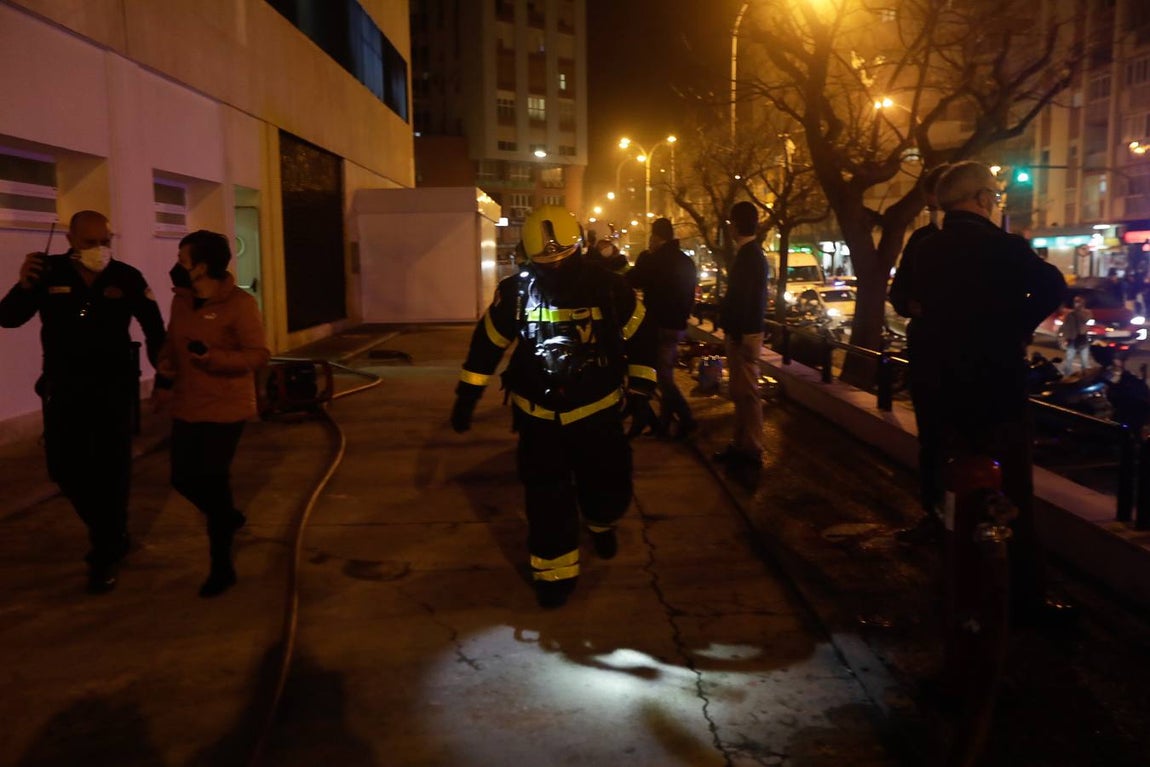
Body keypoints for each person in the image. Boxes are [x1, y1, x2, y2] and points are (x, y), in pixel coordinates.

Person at [450, 205, 657, 608]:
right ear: (529, 259)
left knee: (608, 484)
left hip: (598, 412)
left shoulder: (611, 288)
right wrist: (467, 394)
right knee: (546, 497)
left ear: (580, 247)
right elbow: (488, 343)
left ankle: (601, 522)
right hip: (538, 417)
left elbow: (641, 336)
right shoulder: (515, 293)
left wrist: (644, 393)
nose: (557, 269)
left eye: (564, 259)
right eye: (547, 263)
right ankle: (554, 574)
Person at [902, 160, 1072, 625]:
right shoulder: (1004, 248)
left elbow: (910, 302)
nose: (996, 205)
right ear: (980, 200)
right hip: (996, 388)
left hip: (941, 387)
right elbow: (1053, 286)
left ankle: (958, 582)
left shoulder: (926, 250)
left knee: (949, 484)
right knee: (1013, 488)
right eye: (995, 198)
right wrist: (1012, 327)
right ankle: (1026, 597)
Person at [0, 210, 166, 593]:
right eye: (90, 242)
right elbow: (8, 318)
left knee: (112, 471)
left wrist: (165, 378)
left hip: (113, 389)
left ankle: (104, 552)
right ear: (71, 240)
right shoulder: (47, 272)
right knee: (64, 467)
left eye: (105, 241)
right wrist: (24, 286)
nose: (99, 249)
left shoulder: (126, 277)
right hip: (64, 388)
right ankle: (110, 531)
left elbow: (154, 328)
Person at [153, 230, 269, 597]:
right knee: (182, 479)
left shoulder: (240, 304)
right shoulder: (181, 301)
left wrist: (213, 358)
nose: (177, 264)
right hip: (188, 405)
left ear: (201, 266)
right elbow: (172, 343)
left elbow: (258, 355)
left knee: (214, 482)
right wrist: (164, 374)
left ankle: (222, 566)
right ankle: (228, 518)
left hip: (226, 408)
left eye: (182, 258)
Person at [889, 164, 949, 543]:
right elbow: (898, 296)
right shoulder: (922, 241)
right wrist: (912, 306)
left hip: (964, 362)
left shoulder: (987, 239)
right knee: (932, 441)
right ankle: (934, 513)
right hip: (931, 357)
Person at [627, 217, 699, 439]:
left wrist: (644, 257)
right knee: (665, 373)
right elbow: (691, 295)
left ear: (657, 238)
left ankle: (686, 419)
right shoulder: (686, 261)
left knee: (662, 378)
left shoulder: (654, 260)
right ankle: (664, 425)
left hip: (659, 325)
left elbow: (634, 279)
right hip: (677, 325)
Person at [713, 201, 768, 470]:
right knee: (739, 392)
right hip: (741, 333)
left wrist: (745, 335)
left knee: (747, 393)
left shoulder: (750, 257)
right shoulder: (749, 254)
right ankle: (741, 444)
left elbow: (749, 301)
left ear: (735, 225)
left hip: (744, 335)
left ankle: (752, 448)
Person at [1056, 294, 1092, 376]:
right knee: (1069, 359)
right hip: (1072, 339)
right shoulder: (1070, 314)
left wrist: (1078, 311)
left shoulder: (1087, 313)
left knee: (1084, 360)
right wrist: (1062, 336)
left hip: (1083, 338)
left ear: (1083, 303)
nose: (1077, 303)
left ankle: (1084, 376)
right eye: (1075, 301)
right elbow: (1065, 326)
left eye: (1079, 301)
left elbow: (1085, 320)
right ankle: (1068, 376)